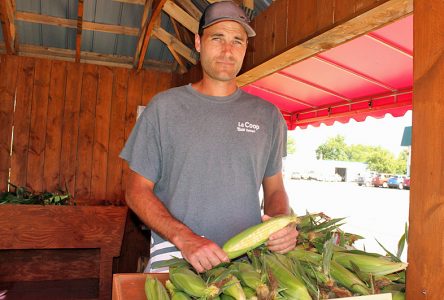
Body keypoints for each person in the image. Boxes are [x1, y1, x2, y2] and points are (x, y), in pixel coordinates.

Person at [120, 0, 298, 273]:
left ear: (245, 49)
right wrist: (184, 237)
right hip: (175, 255)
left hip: (247, 263)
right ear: (199, 43)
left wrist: (279, 223)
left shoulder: (268, 115)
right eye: (218, 38)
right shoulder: (164, 107)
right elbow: (135, 189)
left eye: (237, 41)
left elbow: (275, 189)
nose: (228, 50)